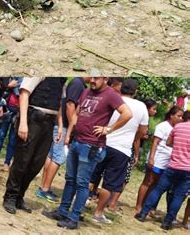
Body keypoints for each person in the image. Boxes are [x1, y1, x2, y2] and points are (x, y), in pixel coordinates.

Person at [43, 76, 132, 230]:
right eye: (91, 77)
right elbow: (77, 113)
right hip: (76, 141)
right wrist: (69, 134)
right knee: (70, 179)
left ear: (105, 78)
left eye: (96, 78)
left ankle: (74, 217)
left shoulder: (111, 94)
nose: (92, 80)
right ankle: (63, 211)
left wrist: (109, 129)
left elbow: (127, 113)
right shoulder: (86, 91)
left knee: (82, 183)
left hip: (91, 145)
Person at [3, 77, 68, 214]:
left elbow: (59, 104)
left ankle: (20, 196)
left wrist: (60, 125)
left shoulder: (62, 78)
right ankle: (10, 196)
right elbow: (24, 94)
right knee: (22, 161)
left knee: (36, 163)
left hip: (49, 122)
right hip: (33, 119)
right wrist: (23, 123)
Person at [91, 79, 149, 224]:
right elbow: (143, 131)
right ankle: (98, 212)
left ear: (121, 88)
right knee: (109, 184)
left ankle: (82, 200)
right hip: (122, 149)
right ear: (135, 91)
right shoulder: (141, 107)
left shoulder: (112, 98)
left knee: (92, 175)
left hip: (103, 142)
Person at [37, 77, 91, 203]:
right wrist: (73, 125)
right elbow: (69, 105)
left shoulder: (78, 83)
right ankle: (44, 189)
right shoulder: (78, 83)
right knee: (58, 157)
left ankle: (44, 186)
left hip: (61, 125)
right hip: (65, 127)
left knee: (52, 156)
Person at [135, 111, 190, 230]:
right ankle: (167, 222)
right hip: (187, 170)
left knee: (158, 189)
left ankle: (143, 213)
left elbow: (169, 143)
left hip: (173, 165)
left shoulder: (178, 127)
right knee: (178, 196)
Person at [0, 78, 23, 171]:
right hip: (7, 107)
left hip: (18, 111)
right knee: (1, 134)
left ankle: (7, 163)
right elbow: (4, 89)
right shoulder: (12, 78)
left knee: (12, 138)